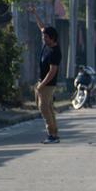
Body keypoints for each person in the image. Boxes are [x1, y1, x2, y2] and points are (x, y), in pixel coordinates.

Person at [30, 8, 61, 144]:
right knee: (48, 108)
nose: (43, 39)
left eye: (46, 37)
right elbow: (42, 27)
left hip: (48, 84)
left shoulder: (55, 52)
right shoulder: (47, 44)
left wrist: (41, 85)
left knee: (44, 108)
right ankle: (54, 133)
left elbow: (52, 71)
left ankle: (51, 135)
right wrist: (35, 14)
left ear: (52, 38)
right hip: (42, 82)